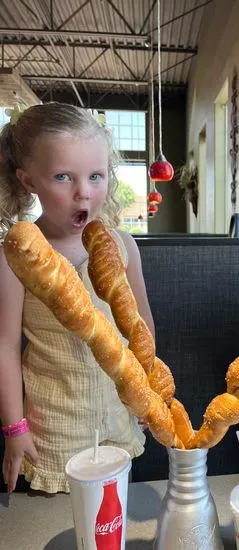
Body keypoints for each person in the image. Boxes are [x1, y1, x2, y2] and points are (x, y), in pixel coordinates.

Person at [0, 102, 154, 494]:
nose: (83, 191)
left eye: (95, 176)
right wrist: (14, 427)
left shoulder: (123, 246)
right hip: (54, 428)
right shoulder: (16, 256)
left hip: (117, 417)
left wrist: (148, 387)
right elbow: (5, 346)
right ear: (28, 181)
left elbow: (140, 328)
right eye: (63, 177)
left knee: (113, 512)